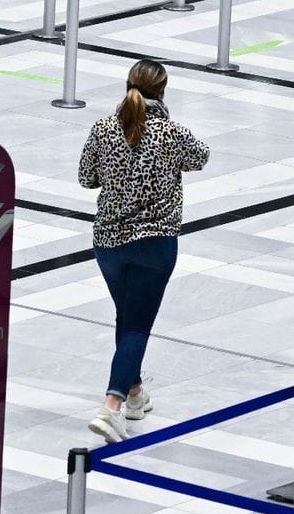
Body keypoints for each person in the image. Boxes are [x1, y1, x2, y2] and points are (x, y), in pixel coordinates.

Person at [77, 59, 208, 444]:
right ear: (163, 91)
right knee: (136, 325)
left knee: (127, 317)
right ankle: (111, 407)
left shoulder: (103, 128)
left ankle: (134, 394)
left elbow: (87, 177)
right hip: (155, 243)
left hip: (108, 244)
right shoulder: (171, 133)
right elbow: (201, 157)